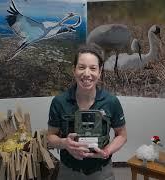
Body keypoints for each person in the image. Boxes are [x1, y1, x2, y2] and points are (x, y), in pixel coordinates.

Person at [47, 43, 127, 180]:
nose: (87, 74)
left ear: (100, 71)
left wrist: (107, 151)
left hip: (102, 172)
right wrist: (65, 143)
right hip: (68, 172)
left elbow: (122, 135)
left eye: (93, 68)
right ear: (74, 70)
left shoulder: (111, 102)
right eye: (81, 67)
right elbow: (50, 138)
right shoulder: (59, 102)